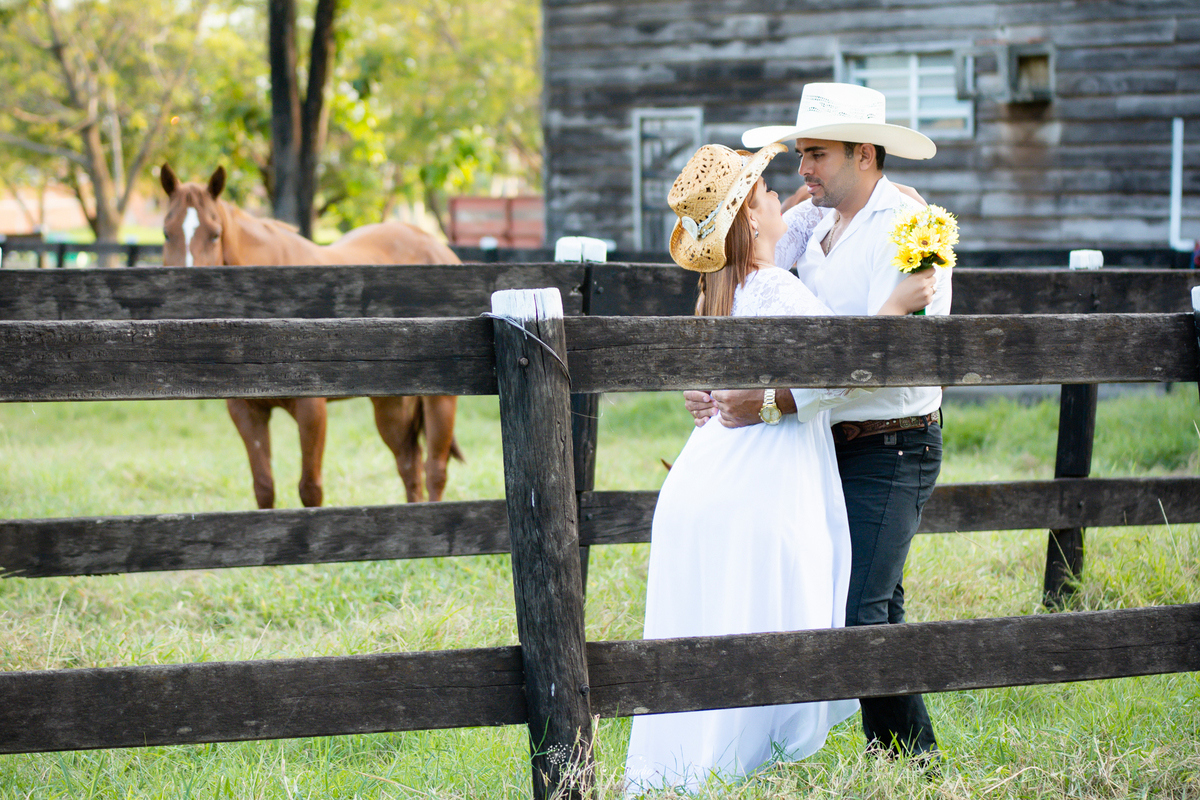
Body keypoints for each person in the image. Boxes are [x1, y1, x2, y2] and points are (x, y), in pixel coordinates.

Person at [624, 142, 936, 795]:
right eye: (767, 191)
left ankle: (905, 765)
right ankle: (894, 766)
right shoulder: (774, 283)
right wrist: (893, 309)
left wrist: (901, 201)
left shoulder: (724, 288)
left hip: (713, 470)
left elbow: (805, 212)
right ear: (749, 216)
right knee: (817, 612)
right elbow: (839, 367)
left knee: (739, 618)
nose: (785, 193)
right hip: (758, 469)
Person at [685, 82, 952, 764]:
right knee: (872, 603)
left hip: (892, 441)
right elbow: (744, 285)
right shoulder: (808, 224)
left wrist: (772, 400)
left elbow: (888, 361)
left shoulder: (913, 232)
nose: (802, 169)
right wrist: (711, 375)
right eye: (801, 153)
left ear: (865, 154)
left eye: (817, 154)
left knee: (858, 607)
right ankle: (908, 762)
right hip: (821, 446)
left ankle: (909, 759)